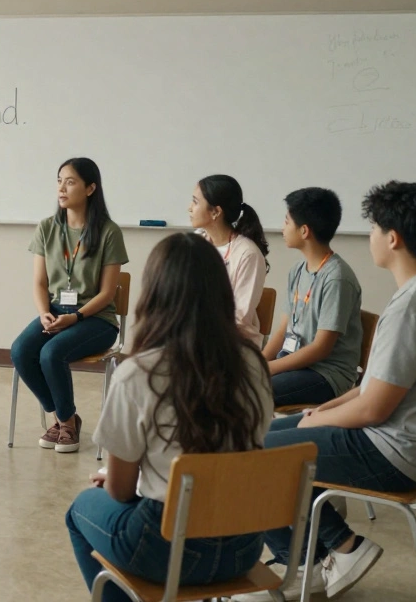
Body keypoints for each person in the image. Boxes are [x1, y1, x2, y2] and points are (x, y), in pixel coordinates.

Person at [236, 182, 416, 601]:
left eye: (372, 228)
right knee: (257, 436)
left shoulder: (411, 308)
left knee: (247, 453)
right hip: (403, 441)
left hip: (393, 451)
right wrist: (322, 411)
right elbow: (372, 388)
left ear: (392, 238)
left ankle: (327, 555)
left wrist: (316, 420)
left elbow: (372, 410)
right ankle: (323, 556)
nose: (369, 236)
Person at [67, 232, 273, 602]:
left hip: (167, 546)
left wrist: (132, 479)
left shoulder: (138, 374)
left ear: (154, 294)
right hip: (243, 545)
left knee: (80, 510)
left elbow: (120, 491)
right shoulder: (254, 365)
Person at [10, 157, 128, 453]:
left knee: (51, 353)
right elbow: (40, 283)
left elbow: (107, 293)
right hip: (55, 312)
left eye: (70, 182)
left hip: (96, 319)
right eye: (59, 181)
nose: (61, 188)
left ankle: (65, 424)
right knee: (21, 350)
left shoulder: (109, 232)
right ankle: (65, 419)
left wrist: (76, 317)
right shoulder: (47, 228)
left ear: (90, 188)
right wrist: (44, 313)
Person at [261, 187, 363, 407]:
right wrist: (259, 364)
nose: (282, 228)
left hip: (326, 374)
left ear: (304, 231)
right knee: (239, 381)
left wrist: (267, 369)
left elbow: (321, 349)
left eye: (287, 222)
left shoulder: (336, 278)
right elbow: (283, 330)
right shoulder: (298, 270)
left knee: (249, 391)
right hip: (296, 363)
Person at [188, 174, 270, 343]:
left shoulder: (248, 254)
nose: (189, 208)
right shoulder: (196, 242)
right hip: (193, 335)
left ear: (216, 212)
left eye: (195, 202)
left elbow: (239, 319)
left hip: (232, 343)